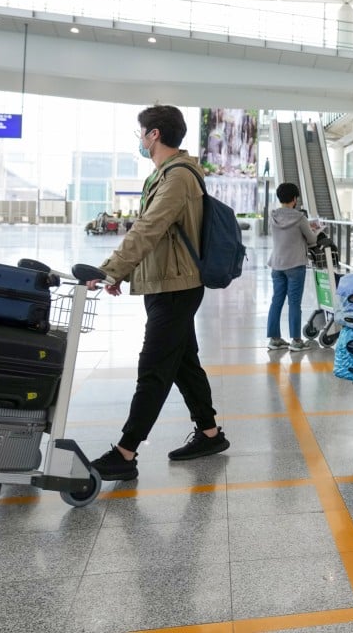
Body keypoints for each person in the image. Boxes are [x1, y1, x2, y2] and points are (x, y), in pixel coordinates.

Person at [85, 105, 229, 481]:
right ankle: (210, 434)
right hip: (168, 282)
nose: (140, 139)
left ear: (154, 135)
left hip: (175, 288)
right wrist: (124, 272)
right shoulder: (165, 174)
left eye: (142, 132)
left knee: (153, 368)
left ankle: (125, 452)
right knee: (183, 363)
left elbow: (149, 227)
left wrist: (111, 269)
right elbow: (160, 237)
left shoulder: (178, 177)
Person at [267, 182, 318, 351]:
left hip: (277, 264)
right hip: (295, 264)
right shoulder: (300, 218)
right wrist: (314, 230)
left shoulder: (273, 216)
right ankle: (296, 341)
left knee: (276, 301)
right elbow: (312, 239)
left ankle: (274, 339)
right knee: (294, 303)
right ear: (295, 199)